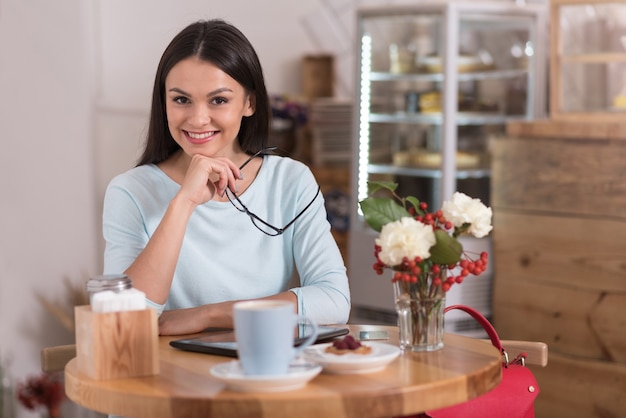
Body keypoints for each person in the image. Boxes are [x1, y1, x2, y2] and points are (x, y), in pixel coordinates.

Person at [102, 19, 351, 335]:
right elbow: (124, 320)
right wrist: (184, 203)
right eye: (181, 99)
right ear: (163, 102)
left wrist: (208, 316)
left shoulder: (291, 181)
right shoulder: (130, 192)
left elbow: (334, 301)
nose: (198, 118)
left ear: (250, 103)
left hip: (265, 369)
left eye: (218, 100)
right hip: (170, 378)